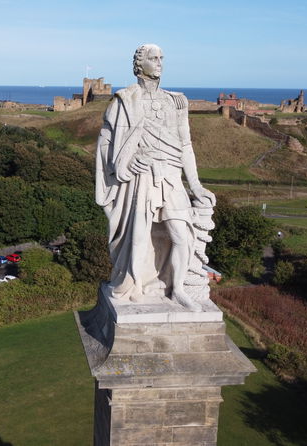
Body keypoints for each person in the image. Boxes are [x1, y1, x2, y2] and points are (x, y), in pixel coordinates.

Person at [95, 43, 215, 311]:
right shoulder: (125, 100)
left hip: (171, 175)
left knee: (182, 234)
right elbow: (106, 143)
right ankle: (135, 282)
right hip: (141, 178)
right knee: (138, 238)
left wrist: (195, 184)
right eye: (153, 58)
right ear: (140, 64)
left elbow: (185, 145)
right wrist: (124, 162)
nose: (160, 62)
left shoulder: (176, 101)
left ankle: (179, 289)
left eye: (162, 58)